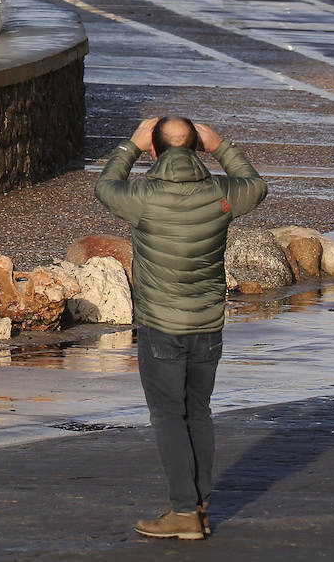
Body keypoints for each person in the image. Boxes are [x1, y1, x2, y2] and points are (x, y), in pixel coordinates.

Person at [95, 115, 267, 541]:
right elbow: (256, 185)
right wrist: (222, 145)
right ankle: (198, 502)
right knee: (198, 411)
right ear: (197, 148)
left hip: (161, 328)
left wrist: (128, 147)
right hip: (208, 325)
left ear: (155, 151)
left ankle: (185, 511)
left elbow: (105, 188)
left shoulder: (142, 197)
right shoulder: (220, 194)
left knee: (168, 416)